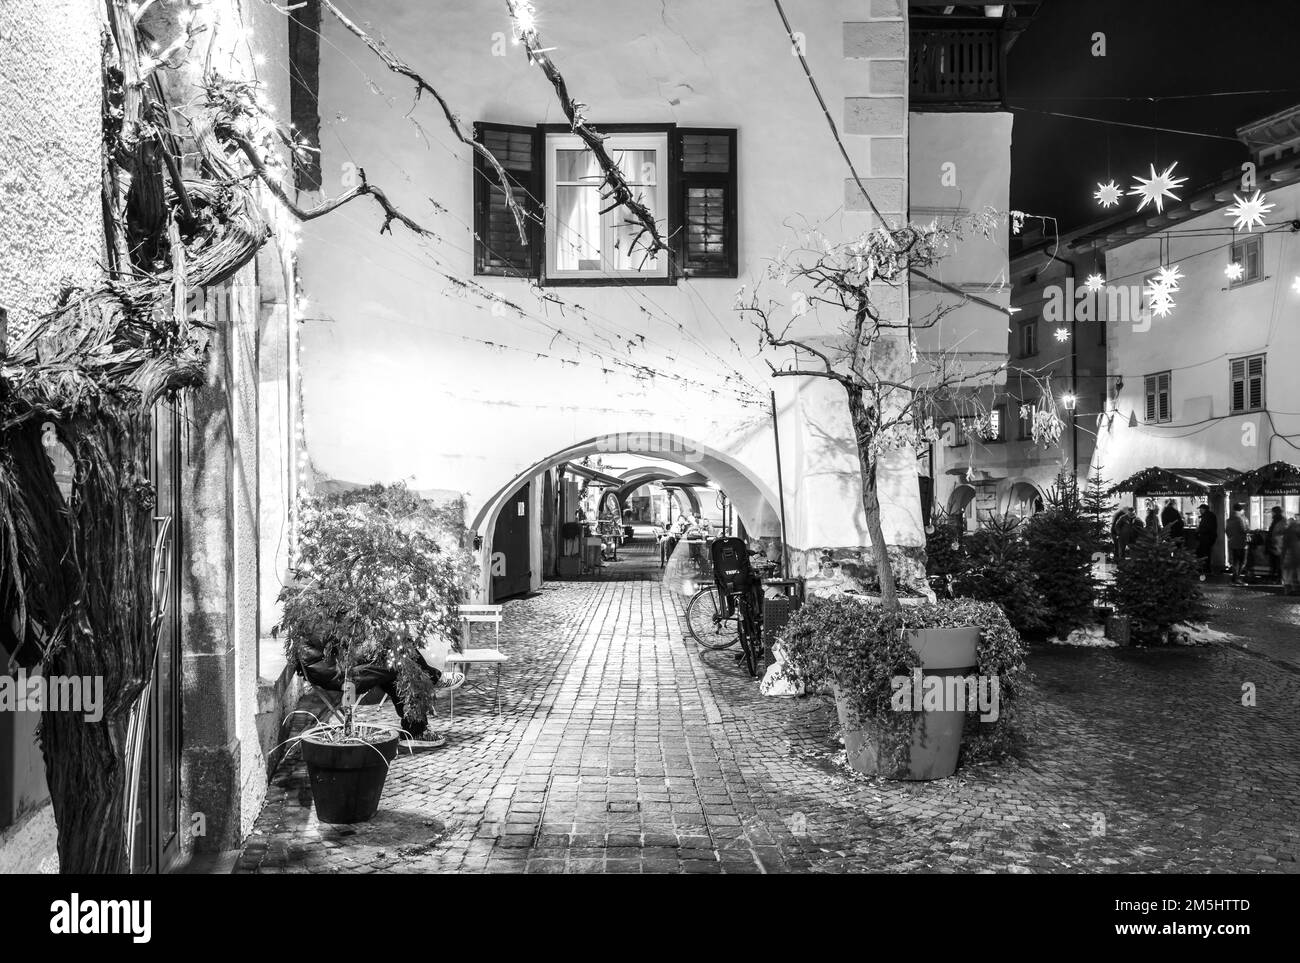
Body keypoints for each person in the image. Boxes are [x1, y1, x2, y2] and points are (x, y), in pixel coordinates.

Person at [296, 638, 463, 742]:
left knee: (398, 646)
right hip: (339, 674)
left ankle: (416, 728)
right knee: (397, 662)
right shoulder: (319, 613)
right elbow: (337, 647)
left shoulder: (322, 607)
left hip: (341, 665)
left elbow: (344, 643)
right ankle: (417, 726)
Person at [1226, 502, 1249, 585]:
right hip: (1241, 543)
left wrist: (1231, 538)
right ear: (1241, 510)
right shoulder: (1241, 519)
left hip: (1232, 543)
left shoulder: (1229, 519)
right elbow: (1243, 530)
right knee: (1242, 562)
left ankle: (1234, 579)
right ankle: (1237, 579)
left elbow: (1227, 531)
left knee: (1235, 561)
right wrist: (1251, 531)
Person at [1195, 503, 1217, 581]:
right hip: (1210, 538)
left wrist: (1199, 530)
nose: (1200, 511)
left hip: (1206, 538)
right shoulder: (1210, 515)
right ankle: (1206, 568)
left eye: (1200, 509)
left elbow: (1206, 528)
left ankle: (1205, 569)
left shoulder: (1207, 516)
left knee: (1204, 553)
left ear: (1204, 509)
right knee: (1206, 553)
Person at [1266, 506, 1286, 583]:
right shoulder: (1280, 520)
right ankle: (1276, 578)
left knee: (1277, 563)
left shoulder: (1279, 521)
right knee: (1275, 563)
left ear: (1275, 512)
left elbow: (1279, 533)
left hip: (1277, 545)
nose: (1271, 513)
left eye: (1272, 512)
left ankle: (1278, 579)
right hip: (1276, 544)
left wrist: (1274, 541)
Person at [1282, 513, 1300, 595]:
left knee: (1289, 572)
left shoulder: (1289, 529)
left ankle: (1288, 589)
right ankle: (1293, 588)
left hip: (1290, 553)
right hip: (1294, 553)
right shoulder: (1295, 528)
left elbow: (1285, 543)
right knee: (1294, 571)